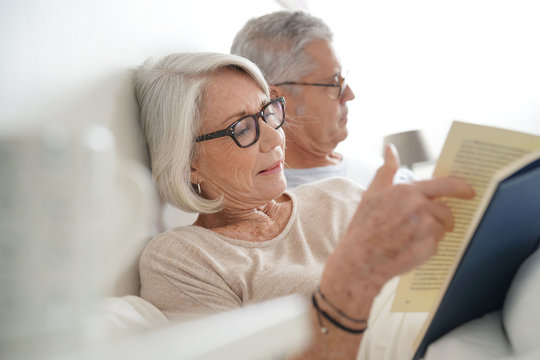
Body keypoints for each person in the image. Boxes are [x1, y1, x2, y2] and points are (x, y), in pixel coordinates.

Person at [134, 51, 474, 359]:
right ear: (188, 160)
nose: (274, 137)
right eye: (240, 128)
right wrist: (353, 277)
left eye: (268, 112)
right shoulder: (181, 259)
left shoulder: (339, 194)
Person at [231, 10, 415, 189]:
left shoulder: (372, 164)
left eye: (342, 79)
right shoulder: (281, 209)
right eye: (334, 81)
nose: (349, 94)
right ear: (275, 102)